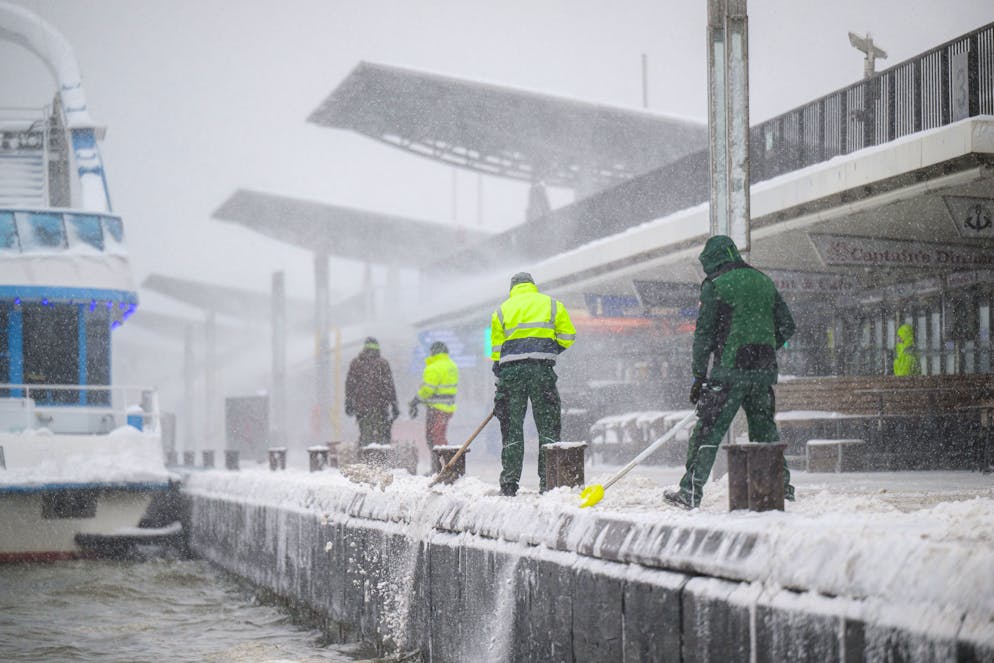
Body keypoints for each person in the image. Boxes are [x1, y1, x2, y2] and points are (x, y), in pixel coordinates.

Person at [664, 235, 796, 510]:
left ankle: (690, 491)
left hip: (730, 372)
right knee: (765, 432)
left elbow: (703, 335)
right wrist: (768, 347)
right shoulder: (764, 281)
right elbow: (787, 325)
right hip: (762, 373)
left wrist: (699, 376)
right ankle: (783, 489)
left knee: (708, 432)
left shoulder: (715, 285)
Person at [491, 272, 576, 496]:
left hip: (511, 374)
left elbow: (496, 353)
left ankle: (509, 483)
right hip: (542, 371)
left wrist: (500, 379)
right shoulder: (552, 305)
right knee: (548, 426)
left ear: (512, 288)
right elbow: (568, 336)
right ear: (532, 286)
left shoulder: (501, 310)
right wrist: (549, 350)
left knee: (512, 428)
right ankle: (549, 482)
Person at [409, 341, 459, 473]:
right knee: (438, 437)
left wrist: (416, 400)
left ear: (433, 352)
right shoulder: (452, 366)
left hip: (436, 408)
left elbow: (428, 389)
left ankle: (441, 469)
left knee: (434, 438)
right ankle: (440, 467)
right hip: (448, 408)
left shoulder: (434, 367)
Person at [344, 337, 399, 447]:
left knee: (365, 434)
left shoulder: (356, 363)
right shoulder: (383, 363)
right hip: (381, 407)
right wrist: (394, 405)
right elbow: (389, 386)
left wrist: (349, 402)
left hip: (362, 408)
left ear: (364, 348)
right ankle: (382, 459)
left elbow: (350, 386)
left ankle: (365, 458)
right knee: (382, 436)